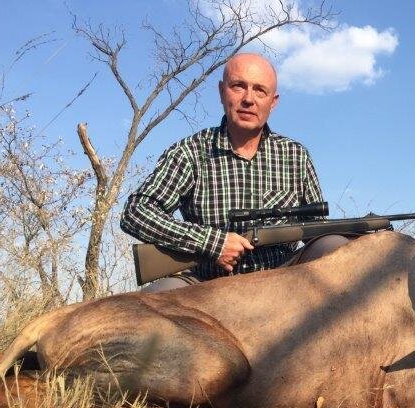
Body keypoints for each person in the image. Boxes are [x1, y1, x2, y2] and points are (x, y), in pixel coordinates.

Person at [121, 53, 348, 291]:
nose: (248, 99)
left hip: (284, 276)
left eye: (260, 90)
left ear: (273, 101)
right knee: (155, 298)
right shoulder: (190, 152)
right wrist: (212, 243)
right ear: (222, 91)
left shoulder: (295, 155)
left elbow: (316, 231)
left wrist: (367, 239)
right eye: (238, 86)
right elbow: (136, 212)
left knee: (336, 245)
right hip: (206, 282)